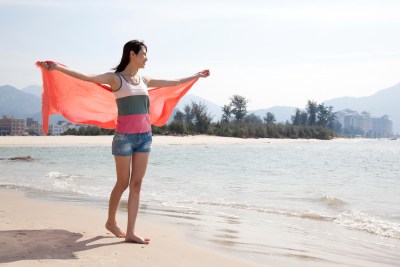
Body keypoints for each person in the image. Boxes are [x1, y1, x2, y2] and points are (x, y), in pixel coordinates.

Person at [38, 40, 210, 244]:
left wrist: (197, 75)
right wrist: (58, 68)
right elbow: (88, 77)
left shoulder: (144, 80)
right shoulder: (115, 78)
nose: (147, 58)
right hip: (124, 138)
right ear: (132, 54)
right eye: (144, 54)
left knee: (136, 184)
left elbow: (173, 82)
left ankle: (130, 232)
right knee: (123, 183)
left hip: (145, 137)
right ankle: (111, 222)